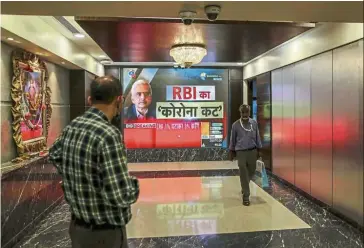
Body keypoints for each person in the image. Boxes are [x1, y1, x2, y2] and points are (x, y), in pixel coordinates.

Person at [49, 75, 139, 248]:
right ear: (119, 100)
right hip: (105, 235)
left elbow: (54, 153)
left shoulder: (73, 126)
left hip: (77, 228)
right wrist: (133, 185)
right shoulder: (109, 135)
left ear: (90, 100)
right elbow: (120, 194)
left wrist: (77, 176)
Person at [229, 104, 262, 206]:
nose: (244, 114)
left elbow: (257, 137)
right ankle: (246, 196)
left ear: (249, 112)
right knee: (243, 171)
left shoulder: (254, 123)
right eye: (243, 112)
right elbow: (232, 139)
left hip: (252, 151)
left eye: (246, 112)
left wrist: (259, 150)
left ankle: (244, 187)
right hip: (241, 152)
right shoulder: (235, 125)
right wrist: (231, 151)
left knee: (251, 171)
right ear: (240, 113)